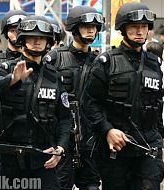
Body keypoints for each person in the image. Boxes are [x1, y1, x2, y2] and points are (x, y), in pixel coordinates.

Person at [80, 2, 164, 190]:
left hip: (148, 147)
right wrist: (107, 130)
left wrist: (159, 137)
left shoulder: (154, 64)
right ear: (123, 29)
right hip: (116, 150)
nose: (140, 31)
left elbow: (157, 102)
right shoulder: (106, 62)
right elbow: (89, 103)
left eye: (144, 27)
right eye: (134, 26)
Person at [0, 15, 71, 190]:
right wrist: (12, 80)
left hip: (43, 158)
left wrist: (60, 149)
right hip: (10, 158)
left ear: (48, 42)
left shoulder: (54, 76)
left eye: (41, 38)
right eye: (32, 37)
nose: (37, 42)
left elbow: (65, 118)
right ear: (22, 40)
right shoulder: (7, 68)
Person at [44, 5, 103, 190]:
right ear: (74, 28)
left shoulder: (100, 61)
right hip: (61, 137)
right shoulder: (54, 58)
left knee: (92, 185)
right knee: (61, 184)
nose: (91, 30)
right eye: (86, 26)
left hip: (90, 138)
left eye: (94, 26)